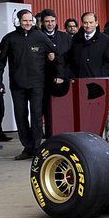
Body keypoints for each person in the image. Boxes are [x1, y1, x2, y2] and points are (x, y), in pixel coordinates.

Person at [0, 10, 61, 160]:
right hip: (17, 85)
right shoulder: (9, 38)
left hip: (37, 84)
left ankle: (36, 148)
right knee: (21, 115)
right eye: (25, 21)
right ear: (18, 21)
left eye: (30, 20)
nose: (28, 23)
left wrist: (54, 62)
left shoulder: (40, 36)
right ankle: (27, 147)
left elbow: (55, 52)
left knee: (36, 115)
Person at [39, 9, 72, 137]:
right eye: (47, 21)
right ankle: (48, 135)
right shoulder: (37, 36)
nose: (50, 24)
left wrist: (63, 76)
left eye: (52, 21)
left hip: (61, 80)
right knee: (45, 110)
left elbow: (70, 58)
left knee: (60, 110)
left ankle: (61, 134)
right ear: (42, 22)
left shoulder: (65, 37)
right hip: (43, 79)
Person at [66, 12, 109, 78]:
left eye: (91, 22)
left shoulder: (105, 40)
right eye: (85, 23)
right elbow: (69, 59)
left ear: (96, 23)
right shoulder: (75, 38)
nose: (88, 25)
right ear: (82, 23)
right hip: (78, 81)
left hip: (98, 82)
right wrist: (71, 76)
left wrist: (99, 76)